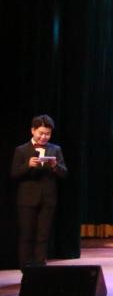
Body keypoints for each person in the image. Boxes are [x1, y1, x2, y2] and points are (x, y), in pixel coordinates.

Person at [10, 114, 67, 269]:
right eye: (41, 133)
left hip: (48, 199)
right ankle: (26, 269)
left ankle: (40, 268)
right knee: (27, 235)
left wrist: (55, 166)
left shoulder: (55, 149)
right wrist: (27, 165)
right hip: (27, 199)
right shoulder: (21, 150)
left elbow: (64, 173)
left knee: (43, 235)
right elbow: (14, 174)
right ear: (33, 131)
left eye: (47, 134)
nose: (44, 137)